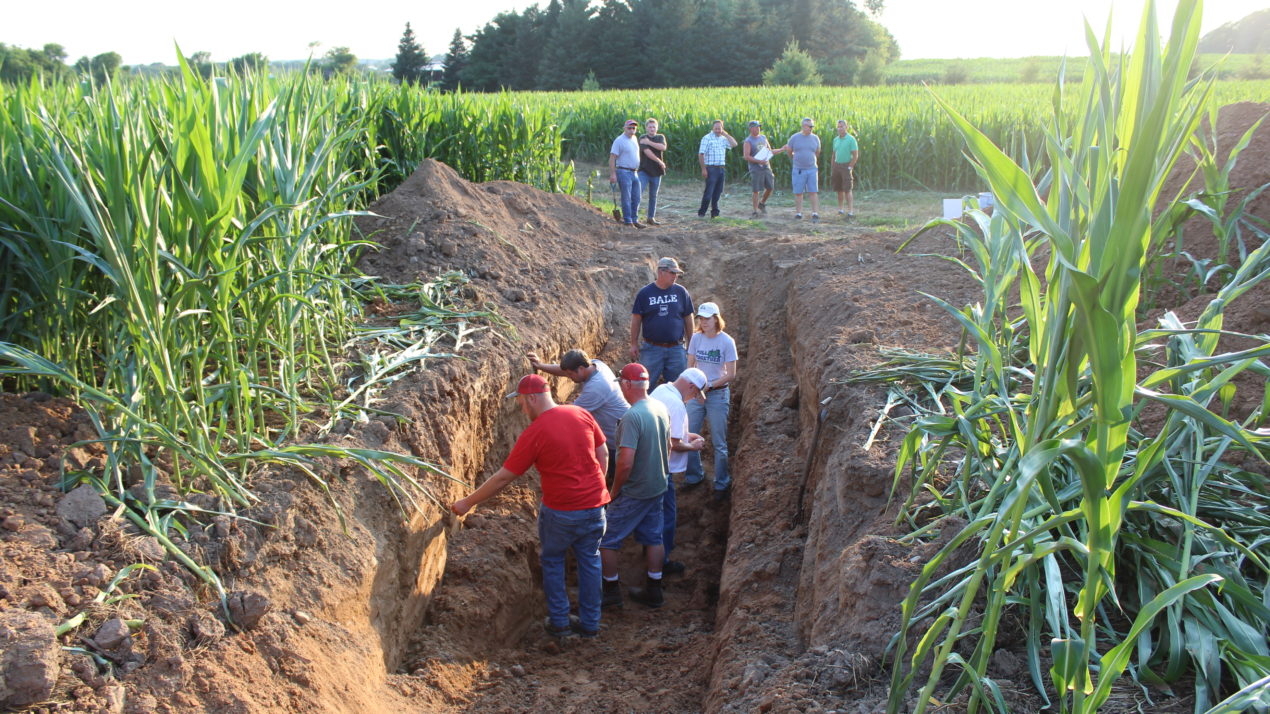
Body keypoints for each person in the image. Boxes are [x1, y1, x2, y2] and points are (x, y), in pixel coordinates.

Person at [450, 375, 610, 638]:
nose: (522, 409)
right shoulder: (580, 413)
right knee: (590, 562)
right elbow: (602, 451)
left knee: (553, 561)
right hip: (595, 507)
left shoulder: (536, 432)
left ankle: (559, 623)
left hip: (561, 512)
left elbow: (504, 477)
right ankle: (590, 624)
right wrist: (597, 486)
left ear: (533, 398)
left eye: (523, 403)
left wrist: (467, 502)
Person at [600, 363, 672, 610]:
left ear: (628, 385)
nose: (620, 386)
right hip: (658, 485)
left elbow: (625, 463)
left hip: (635, 489)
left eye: (621, 382)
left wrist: (615, 491)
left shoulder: (632, 417)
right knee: (653, 537)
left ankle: (610, 592)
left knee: (606, 539)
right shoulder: (659, 407)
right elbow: (669, 447)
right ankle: (654, 590)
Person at [526, 349, 629, 484]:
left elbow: (569, 414)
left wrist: (540, 406)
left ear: (580, 369)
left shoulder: (596, 387)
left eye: (570, 374)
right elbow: (565, 370)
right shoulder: (595, 365)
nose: (568, 377)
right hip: (615, 435)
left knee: (619, 484)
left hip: (619, 441)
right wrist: (540, 365)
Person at [650, 367, 707, 576]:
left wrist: (688, 435)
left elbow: (674, 432)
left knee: (654, 514)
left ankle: (650, 553)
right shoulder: (676, 404)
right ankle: (660, 562)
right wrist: (694, 446)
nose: (692, 398)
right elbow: (674, 443)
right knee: (666, 517)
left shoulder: (662, 390)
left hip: (649, 464)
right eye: (695, 394)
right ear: (691, 386)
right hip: (662, 469)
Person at [683, 302, 738, 502]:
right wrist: (693, 388)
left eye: (708, 318)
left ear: (716, 318)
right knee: (688, 435)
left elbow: (731, 374)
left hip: (717, 395)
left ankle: (722, 483)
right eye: (701, 319)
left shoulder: (727, 342)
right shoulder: (696, 339)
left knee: (719, 443)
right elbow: (689, 366)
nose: (704, 322)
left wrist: (710, 386)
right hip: (696, 393)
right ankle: (694, 476)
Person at [629, 257, 695, 386]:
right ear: (660, 272)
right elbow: (636, 319)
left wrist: (692, 342)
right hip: (651, 349)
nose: (675, 276)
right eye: (672, 273)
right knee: (645, 387)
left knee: (679, 388)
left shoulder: (681, 292)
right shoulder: (645, 293)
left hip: (676, 349)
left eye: (677, 273)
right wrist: (633, 344)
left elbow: (688, 317)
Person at [777, 117, 822, 222]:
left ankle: (815, 213)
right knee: (798, 192)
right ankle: (798, 213)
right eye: (809, 126)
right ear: (803, 126)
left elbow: (817, 152)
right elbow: (789, 151)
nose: (811, 128)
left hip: (812, 169)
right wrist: (795, 158)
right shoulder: (794, 138)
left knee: (813, 191)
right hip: (798, 169)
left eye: (812, 126)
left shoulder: (815, 138)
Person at [742, 120, 784, 219]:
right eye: (756, 127)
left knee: (770, 187)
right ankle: (755, 211)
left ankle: (762, 203)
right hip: (755, 168)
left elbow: (769, 151)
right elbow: (746, 156)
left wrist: (782, 149)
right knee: (756, 190)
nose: (758, 128)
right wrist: (758, 161)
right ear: (751, 128)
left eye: (759, 127)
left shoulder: (763, 138)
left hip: (766, 166)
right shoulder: (748, 141)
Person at [696, 120, 737, 218]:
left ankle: (715, 213)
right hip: (711, 168)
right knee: (709, 192)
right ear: (712, 128)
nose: (718, 130)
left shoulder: (723, 139)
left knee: (718, 192)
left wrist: (726, 134)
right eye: (716, 128)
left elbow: (734, 144)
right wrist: (703, 169)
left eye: (720, 128)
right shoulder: (707, 138)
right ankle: (702, 213)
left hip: (721, 169)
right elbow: (701, 154)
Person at [609, 119, 644, 228]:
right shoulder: (619, 140)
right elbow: (612, 158)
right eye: (629, 128)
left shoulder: (634, 138)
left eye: (634, 128)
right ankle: (628, 221)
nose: (632, 130)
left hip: (634, 172)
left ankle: (635, 219)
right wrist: (613, 173)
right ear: (624, 128)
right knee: (626, 197)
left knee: (637, 197)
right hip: (623, 171)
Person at [638, 118, 668, 226]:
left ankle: (651, 218)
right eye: (650, 127)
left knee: (653, 196)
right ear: (646, 128)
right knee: (638, 193)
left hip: (657, 172)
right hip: (644, 170)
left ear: (657, 128)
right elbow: (647, 152)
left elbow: (663, 147)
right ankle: (634, 217)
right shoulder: (642, 137)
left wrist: (649, 142)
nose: (652, 128)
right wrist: (660, 161)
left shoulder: (660, 137)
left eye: (654, 127)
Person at [831, 119, 859, 218]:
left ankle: (850, 211)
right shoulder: (836, 140)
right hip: (837, 166)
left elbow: (855, 155)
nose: (839, 129)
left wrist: (850, 166)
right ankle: (841, 209)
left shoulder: (851, 139)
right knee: (839, 189)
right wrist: (833, 166)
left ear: (846, 127)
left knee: (847, 189)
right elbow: (834, 154)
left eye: (841, 126)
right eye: (838, 127)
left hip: (846, 166)